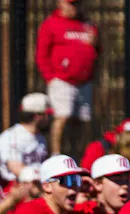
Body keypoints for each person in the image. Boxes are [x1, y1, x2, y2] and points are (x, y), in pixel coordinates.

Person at [36, 0, 99, 155]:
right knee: (62, 117)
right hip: (62, 80)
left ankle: (78, 156)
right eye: (70, 3)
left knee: (83, 121)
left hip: (84, 81)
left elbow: (98, 51)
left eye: (76, 3)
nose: (74, 7)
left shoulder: (87, 24)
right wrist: (50, 77)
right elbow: (41, 54)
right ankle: (56, 155)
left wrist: (95, 44)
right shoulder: (51, 23)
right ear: (60, 3)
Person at [0, 93, 51, 190]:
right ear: (38, 116)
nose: (49, 119)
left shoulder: (41, 137)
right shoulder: (12, 136)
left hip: (37, 187)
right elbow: (18, 170)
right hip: (13, 190)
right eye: (47, 114)